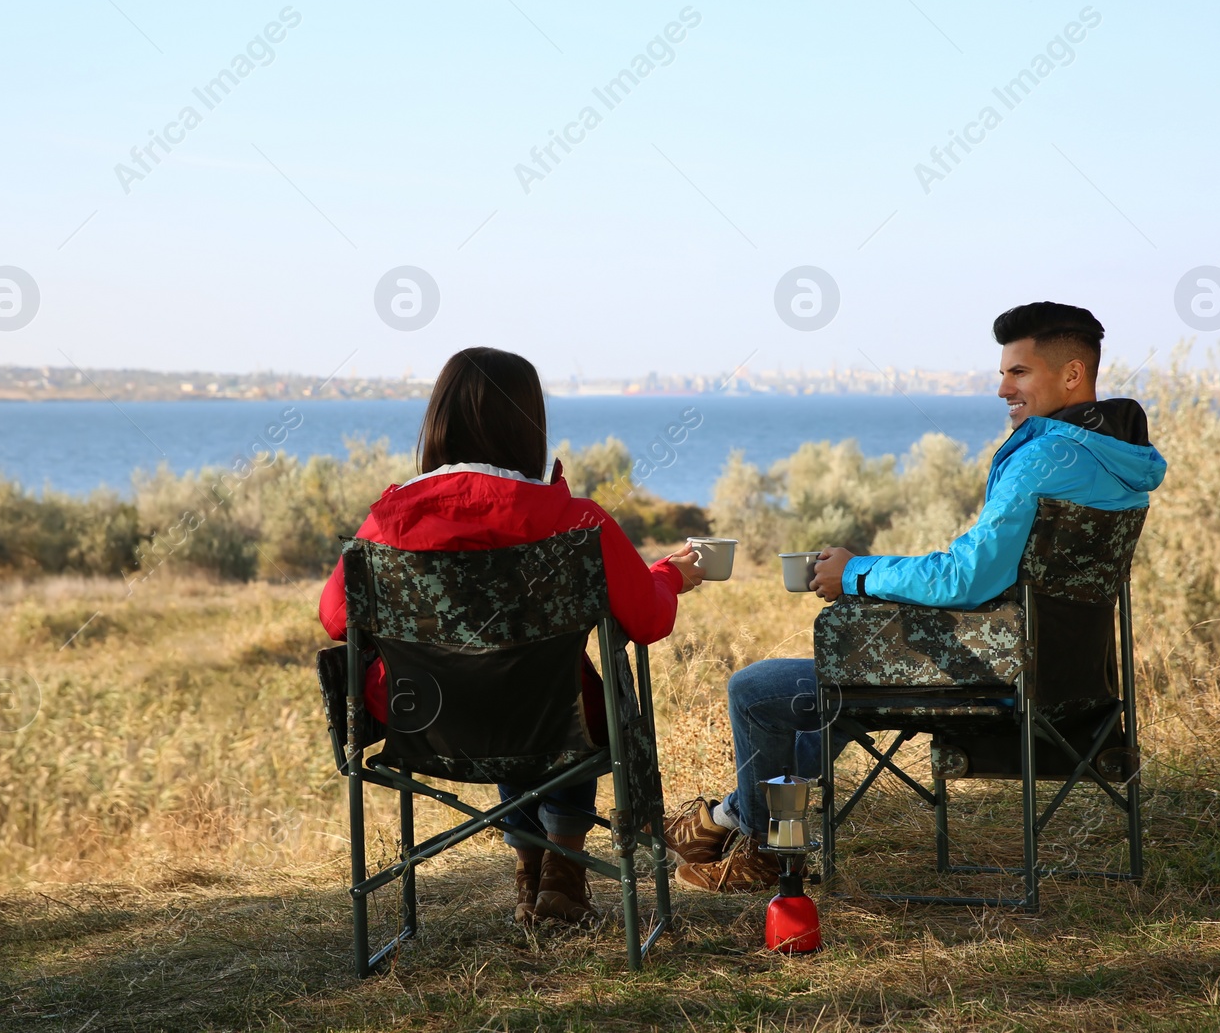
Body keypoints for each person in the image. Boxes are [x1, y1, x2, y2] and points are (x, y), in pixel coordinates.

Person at [664, 302, 1168, 892]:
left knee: (759, 690)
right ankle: (729, 819)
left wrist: (856, 574)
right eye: (1004, 371)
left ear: (1073, 374)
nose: (1002, 386)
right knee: (844, 679)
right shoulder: (1121, 465)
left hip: (996, 677)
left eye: (1019, 373)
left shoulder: (1040, 459)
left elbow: (967, 578)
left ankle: (765, 845)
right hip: (1073, 679)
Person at [318, 347, 703, 924]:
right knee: (549, 688)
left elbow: (334, 617)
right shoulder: (576, 522)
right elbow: (649, 621)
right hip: (551, 719)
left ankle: (531, 864)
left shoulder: (388, 523)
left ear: (438, 421)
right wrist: (668, 573)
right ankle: (562, 868)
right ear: (530, 426)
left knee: (494, 680)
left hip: (425, 720)